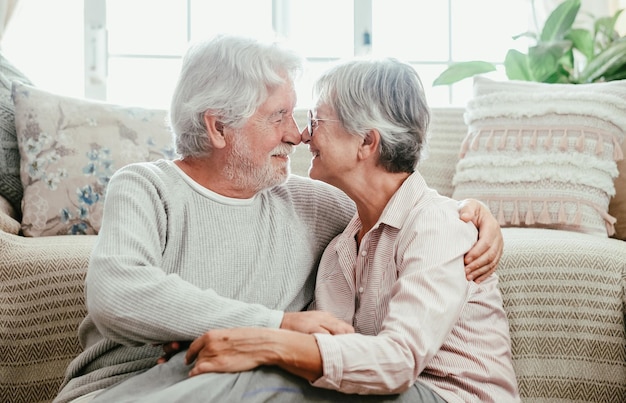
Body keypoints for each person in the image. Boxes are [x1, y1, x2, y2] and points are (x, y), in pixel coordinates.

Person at [54, 35, 503, 403]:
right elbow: (117, 295)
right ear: (218, 127)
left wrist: (473, 217)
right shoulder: (146, 187)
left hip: (231, 383)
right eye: (280, 116)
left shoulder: (318, 205)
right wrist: (275, 326)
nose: (298, 134)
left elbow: (402, 206)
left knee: (274, 376)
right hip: (123, 389)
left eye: (308, 117)